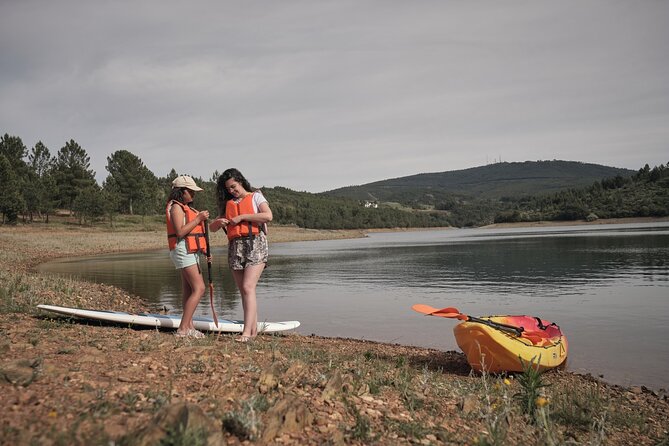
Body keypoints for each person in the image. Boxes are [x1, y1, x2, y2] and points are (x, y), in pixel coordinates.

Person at [210, 168, 272, 342]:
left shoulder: (256, 197)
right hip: (235, 247)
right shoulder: (228, 203)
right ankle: (252, 331)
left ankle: (246, 333)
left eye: (234, 186)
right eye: (228, 189)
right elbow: (212, 228)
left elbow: (268, 216)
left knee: (247, 287)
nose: (232, 191)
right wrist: (218, 222)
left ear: (241, 181)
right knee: (244, 291)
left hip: (255, 243)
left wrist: (243, 217)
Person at [166, 175, 210, 338]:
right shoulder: (177, 207)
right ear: (182, 191)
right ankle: (183, 329)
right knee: (200, 288)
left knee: (188, 289)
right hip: (183, 250)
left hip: (188, 250)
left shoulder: (182, 206)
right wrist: (199, 218)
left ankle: (189, 325)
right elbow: (180, 232)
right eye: (191, 191)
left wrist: (203, 250)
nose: (193, 195)